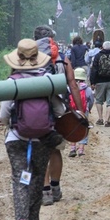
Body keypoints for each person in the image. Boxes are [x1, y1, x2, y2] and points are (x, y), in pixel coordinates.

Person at [0, 39, 66, 220]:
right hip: (42, 140)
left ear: (17, 58)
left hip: (17, 139)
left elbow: (3, 114)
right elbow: (60, 110)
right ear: (38, 58)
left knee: (20, 179)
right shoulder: (47, 81)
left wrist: (14, 125)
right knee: (37, 179)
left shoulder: (12, 83)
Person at [32, 25, 84, 206]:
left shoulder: (28, 58)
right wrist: (79, 110)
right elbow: (73, 85)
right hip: (59, 109)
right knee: (55, 148)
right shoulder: (62, 59)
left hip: (35, 110)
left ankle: (44, 191)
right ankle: (55, 187)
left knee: (40, 149)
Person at [90, 41, 110, 127]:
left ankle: (100, 119)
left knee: (99, 100)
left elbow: (94, 70)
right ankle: (107, 120)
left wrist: (92, 82)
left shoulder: (97, 56)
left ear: (102, 47)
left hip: (99, 81)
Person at [68, 68, 94, 157]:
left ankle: (72, 148)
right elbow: (91, 101)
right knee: (83, 129)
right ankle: (81, 149)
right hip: (83, 111)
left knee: (73, 128)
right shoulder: (88, 89)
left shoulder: (70, 87)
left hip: (73, 111)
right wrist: (88, 109)